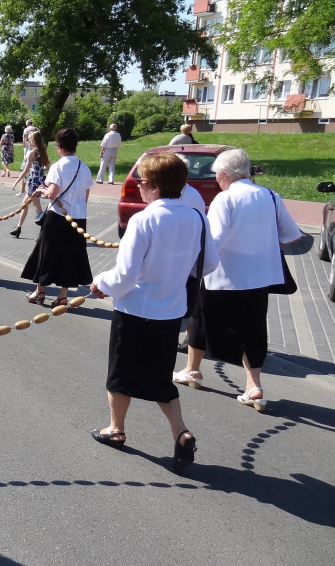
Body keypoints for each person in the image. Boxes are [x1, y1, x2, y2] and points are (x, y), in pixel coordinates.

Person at [89, 152, 219, 471]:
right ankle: (180, 432)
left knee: (120, 374)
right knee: (161, 378)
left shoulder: (144, 219)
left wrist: (99, 283)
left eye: (142, 183)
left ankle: (116, 429)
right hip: (171, 310)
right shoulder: (197, 217)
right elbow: (211, 263)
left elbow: (125, 275)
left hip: (135, 309)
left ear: (150, 185)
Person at [172, 148, 301, 411]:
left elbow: (214, 240)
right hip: (261, 277)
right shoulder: (271, 196)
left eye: (217, 175)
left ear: (224, 174)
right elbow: (292, 236)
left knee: (202, 319)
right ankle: (254, 385)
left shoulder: (225, 199)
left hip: (224, 276)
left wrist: (190, 263)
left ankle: (192, 370)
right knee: (253, 329)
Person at [20, 128, 95, 305]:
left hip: (57, 216)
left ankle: (40, 292)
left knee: (46, 252)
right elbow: (85, 196)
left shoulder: (58, 166)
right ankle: (62, 295)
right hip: (78, 217)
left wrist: (41, 190)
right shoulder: (83, 167)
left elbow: (52, 193)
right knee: (70, 255)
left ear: (59, 146)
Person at [9, 130, 50, 238]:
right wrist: (40, 169)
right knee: (24, 205)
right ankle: (18, 228)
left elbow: (26, 170)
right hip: (37, 181)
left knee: (38, 210)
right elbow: (47, 167)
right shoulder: (41, 151)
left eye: (30, 139)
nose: (28, 141)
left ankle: (44, 233)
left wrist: (16, 182)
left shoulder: (32, 153)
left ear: (34, 141)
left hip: (34, 183)